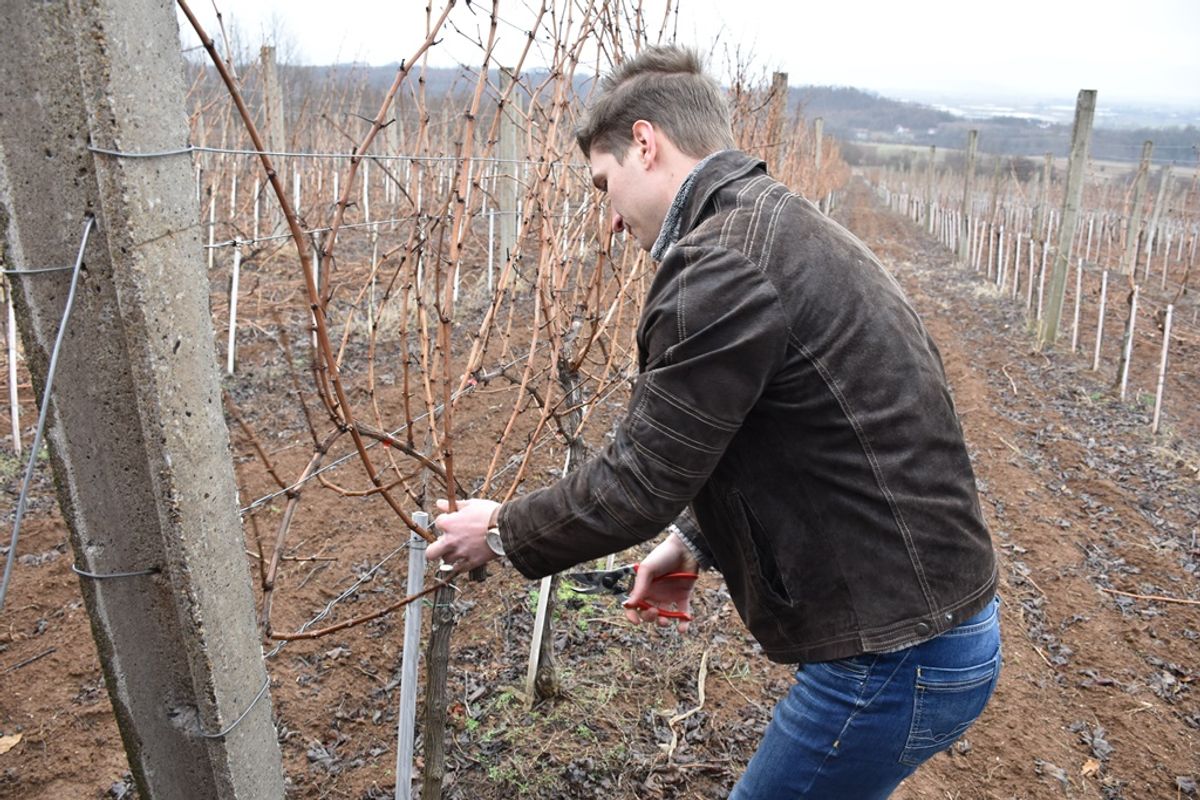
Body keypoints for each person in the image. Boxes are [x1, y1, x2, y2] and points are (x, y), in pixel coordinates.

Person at [428, 45, 1000, 798]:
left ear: (645, 142)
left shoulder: (724, 265)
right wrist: (693, 544)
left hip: (896, 656)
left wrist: (499, 529)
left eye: (605, 186)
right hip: (927, 630)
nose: (607, 221)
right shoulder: (781, 226)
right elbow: (786, 429)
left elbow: (639, 480)